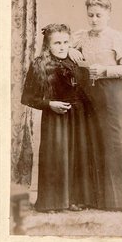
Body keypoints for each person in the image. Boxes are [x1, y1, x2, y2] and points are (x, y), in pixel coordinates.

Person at [70, 0, 122, 210]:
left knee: (117, 145)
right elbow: (62, 51)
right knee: (94, 143)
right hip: (89, 97)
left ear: (108, 15)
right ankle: (96, 199)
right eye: (90, 15)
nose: (94, 19)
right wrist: (70, 50)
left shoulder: (120, 37)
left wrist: (105, 69)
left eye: (98, 15)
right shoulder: (79, 37)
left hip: (115, 96)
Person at [21, 24, 96, 212]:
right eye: (57, 43)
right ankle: (52, 203)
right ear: (48, 45)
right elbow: (28, 98)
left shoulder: (74, 61)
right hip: (55, 117)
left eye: (65, 42)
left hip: (78, 117)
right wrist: (50, 105)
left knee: (77, 157)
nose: (62, 47)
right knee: (56, 158)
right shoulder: (39, 64)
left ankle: (73, 200)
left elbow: (85, 88)